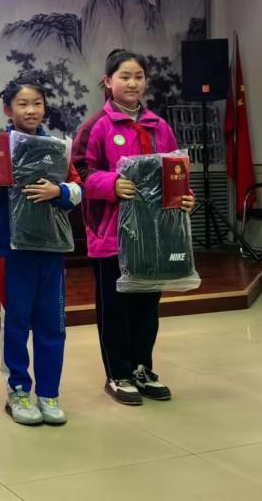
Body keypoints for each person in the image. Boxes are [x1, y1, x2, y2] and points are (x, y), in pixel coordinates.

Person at [72, 49, 195, 406]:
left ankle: (142, 367)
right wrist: (111, 185)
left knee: (147, 307)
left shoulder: (160, 126)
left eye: (138, 77)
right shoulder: (96, 126)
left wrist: (186, 197)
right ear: (108, 82)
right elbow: (79, 172)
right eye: (124, 76)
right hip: (111, 235)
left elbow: (175, 172)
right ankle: (118, 374)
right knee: (115, 308)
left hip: (154, 236)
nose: (132, 83)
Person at [0, 78, 81, 426]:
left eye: (37, 103)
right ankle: (18, 391)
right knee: (15, 323)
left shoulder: (58, 147)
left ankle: (49, 393)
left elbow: (78, 189)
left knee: (52, 324)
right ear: (8, 109)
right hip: (13, 251)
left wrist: (59, 192)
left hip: (51, 249)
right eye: (22, 104)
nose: (31, 110)